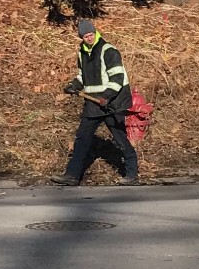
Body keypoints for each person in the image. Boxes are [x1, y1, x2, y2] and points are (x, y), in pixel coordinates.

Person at [52, 19, 139, 186]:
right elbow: (82, 77)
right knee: (82, 139)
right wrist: (73, 86)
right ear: (81, 37)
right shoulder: (82, 53)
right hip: (93, 104)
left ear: (95, 33)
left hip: (112, 103)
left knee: (120, 138)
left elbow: (118, 78)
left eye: (91, 34)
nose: (89, 38)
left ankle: (132, 173)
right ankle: (72, 175)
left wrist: (106, 96)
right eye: (85, 36)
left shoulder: (109, 51)